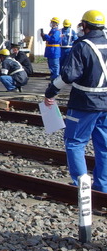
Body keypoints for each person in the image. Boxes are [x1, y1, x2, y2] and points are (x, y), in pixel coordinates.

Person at [44, 10, 107, 192]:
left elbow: (69, 75)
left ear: (85, 26)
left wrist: (51, 91)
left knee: (75, 143)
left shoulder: (82, 46)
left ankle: (81, 185)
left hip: (84, 103)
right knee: (103, 147)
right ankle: (102, 187)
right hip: (105, 103)